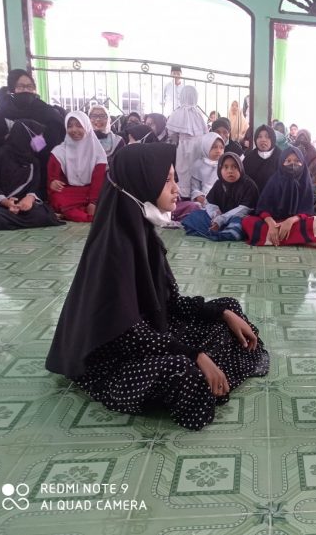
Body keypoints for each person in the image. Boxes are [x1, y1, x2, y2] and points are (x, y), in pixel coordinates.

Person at [45, 143, 269, 430]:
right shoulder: (113, 250)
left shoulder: (143, 233)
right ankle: (210, 374)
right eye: (167, 181)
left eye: (174, 179)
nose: (176, 189)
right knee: (182, 372)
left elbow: (170, 304)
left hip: (153, 332)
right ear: (142, 183)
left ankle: (214, 371)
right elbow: (129, 337)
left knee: (230, 309)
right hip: (115, 359)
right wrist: (194, 354)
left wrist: (222, 312)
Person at [0, 69, 65, 198]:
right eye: (21, 86)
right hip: (8, 165)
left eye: (29, 86)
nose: (26, 90)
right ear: (12, 88)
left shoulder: (43, 109)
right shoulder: (2, 109)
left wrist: (34, 144)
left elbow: (52, 138)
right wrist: (13, 139)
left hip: (37, 163)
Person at [0, 119, 63, 230]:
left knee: (44, 214)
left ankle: (10, 222)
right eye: (39, 136)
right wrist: (6, 202)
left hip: (23, 204)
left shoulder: (33, 161)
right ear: (26, 136)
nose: (41, 140)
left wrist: (30, 199)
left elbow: (35, 187)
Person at [242, 145, 316, 247]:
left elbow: (307, 211)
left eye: (297, 161)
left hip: (294, 223)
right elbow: (263, 208)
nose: (292, 164)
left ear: (303, 163)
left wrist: (290, 221)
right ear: (281, 163)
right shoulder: (274, 180)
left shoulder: (305, 181)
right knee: (247, 221)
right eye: (288, 161)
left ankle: (272, 239)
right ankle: (300, 239)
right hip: (274, 222)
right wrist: (271, 223)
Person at [182, 152, 258, 241]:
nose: (230, 171)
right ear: (220, 170)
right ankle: (221, 232)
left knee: (242, 223)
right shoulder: (219, 184)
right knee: (195, 215)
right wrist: (215, 216)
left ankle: (217, 232)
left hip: (237, 217)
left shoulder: (248, 185)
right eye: (225, 167)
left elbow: (245, 209)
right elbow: (210, 203)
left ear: (240, 168)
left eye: (234, 167)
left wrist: (222, 219)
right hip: (219, 217)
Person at [48, 111, 108, 222]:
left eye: (79, 125)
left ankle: (71, 212)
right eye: (70, 126)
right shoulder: (58, 152)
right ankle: (88, 216)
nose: (74, 130)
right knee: (57, 198)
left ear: (87, 127)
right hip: (71, 192)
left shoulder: (98, 152)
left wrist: (93, 202)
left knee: (107, 196)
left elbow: (98, 181)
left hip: (92, 191)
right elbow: (53, 179)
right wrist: (53, 182)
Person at [166, 86, 208, 198]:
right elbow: (204, 133)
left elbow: (172, 134)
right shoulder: (199, 114)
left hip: (184, 148)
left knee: (183, 171)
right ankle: (197, 193)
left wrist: (176, 141)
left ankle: (184, 194)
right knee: (197, 171)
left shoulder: (177, 112)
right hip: (199, 147)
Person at [190, 132, 225, 208]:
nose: (218, 151)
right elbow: (194, 188)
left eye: (221, 148)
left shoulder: (224, 165)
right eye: (214, 147)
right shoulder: (198, 165)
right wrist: (201, 198)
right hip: (203, 201)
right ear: (206, 146)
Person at [243, 125, 281, 193]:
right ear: (255, 139)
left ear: (273, 139)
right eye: (259, 137)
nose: (263, 140)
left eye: (267, 137)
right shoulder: (249, 158)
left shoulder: (281, 157)